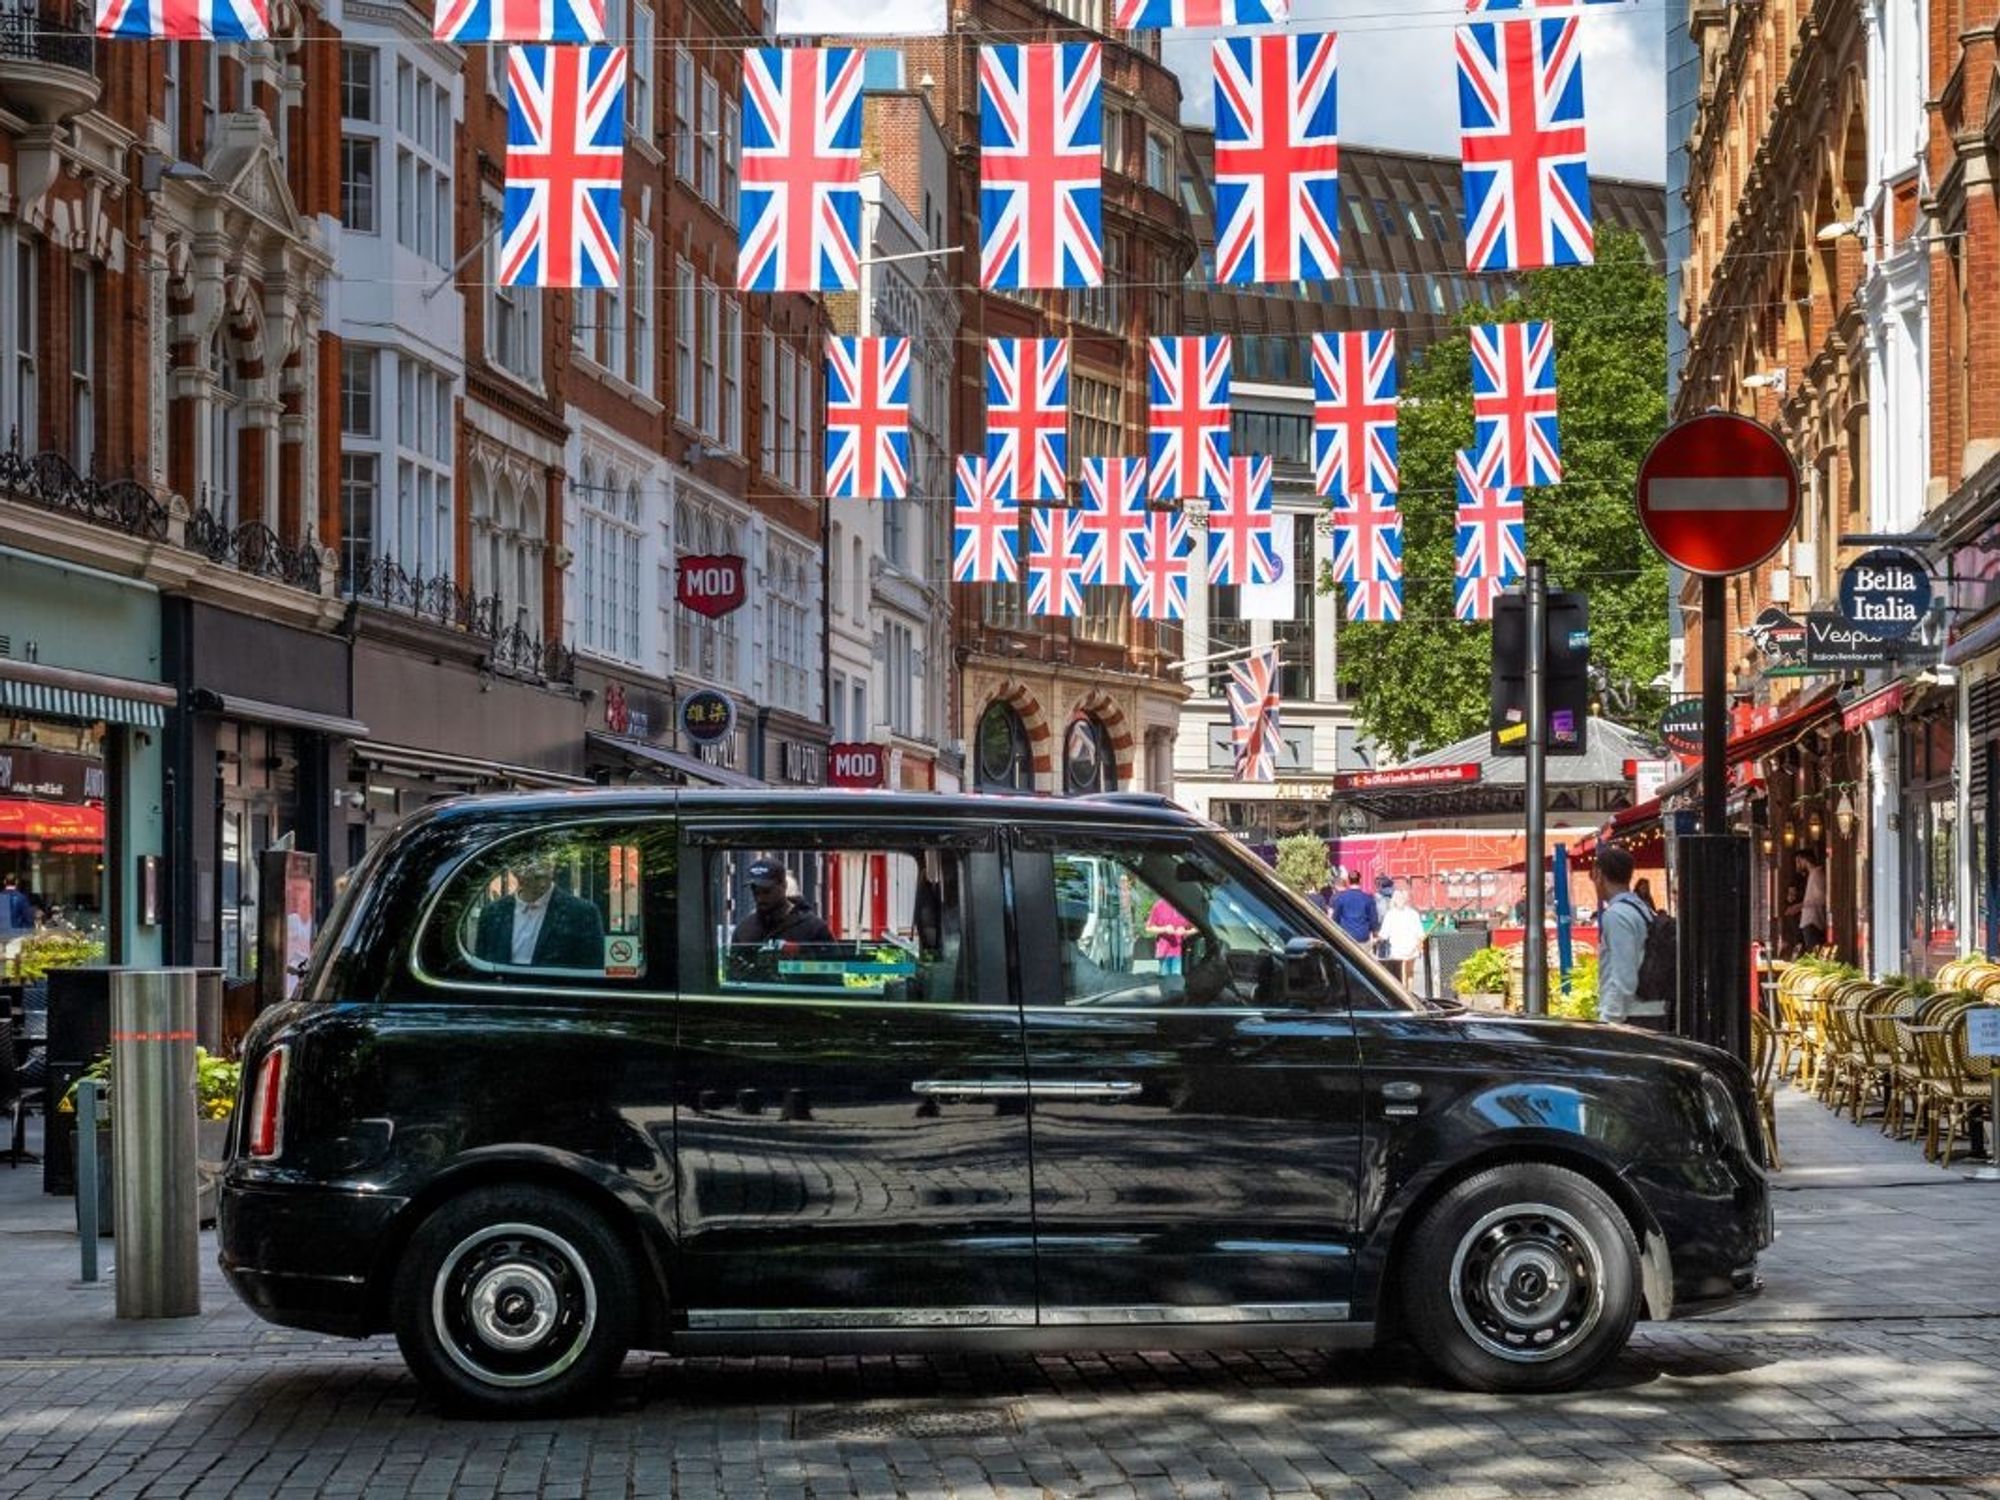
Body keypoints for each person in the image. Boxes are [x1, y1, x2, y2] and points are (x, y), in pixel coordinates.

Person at [474, 857, 605, 969]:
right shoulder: (492, 913)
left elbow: (592, 969)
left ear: (552, 867)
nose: (541, 882)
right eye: (535, 876)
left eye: (542, 875)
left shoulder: (582, 913)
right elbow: (482, 964)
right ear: (515, 871)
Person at [1593, 845, 1665, 1030]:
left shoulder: (1617, 915)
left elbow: (1623, 979)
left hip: (1633, 1018)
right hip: (1652, 1011)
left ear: (1599, 874)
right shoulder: (1641, 908)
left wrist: (1607, 1023)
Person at [731, 857, 834, 945]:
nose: (760, 898)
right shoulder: (745, 930)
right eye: (755, 892)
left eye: (767, 891)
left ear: (783, 886)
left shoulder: (813, 929)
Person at [1380, 888, 1426, 985]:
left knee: (1401, 975)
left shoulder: (1390, 914)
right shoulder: (1413, 914)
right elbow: (1420, 933)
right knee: (1409, 973)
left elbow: (1384, 935)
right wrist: (1420, 944)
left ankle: (1405, 995)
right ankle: (1410, 993)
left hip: (1398, 949)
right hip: (1410, 948)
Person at [1330, 868, 1381, 949]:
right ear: (1360, 880)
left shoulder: (1341, 898)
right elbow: (1373, 919)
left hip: (1346, 937)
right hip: (1363, 938)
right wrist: (1375, 934)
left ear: (1349, 881)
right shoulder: (1368, 898)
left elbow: (1335, 918)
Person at [1144, 895, 1194, 976]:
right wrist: (1164, 929)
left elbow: (1197, 928)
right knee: (1166, 981)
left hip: (1179, 952)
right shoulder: (1159, 905)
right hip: (1164, 952)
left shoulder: (1184, 907)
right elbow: (1148, 928)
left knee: (1176, 981)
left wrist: (1185, 932)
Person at [1788, 851, 1828, 953]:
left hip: (1813, 921)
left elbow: (1821, 898)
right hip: (1809, 921)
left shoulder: (1816, 874)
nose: (1797, 865)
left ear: (1804, 860)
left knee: (1814, 954)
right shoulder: (1812, 875)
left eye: (1798, 861)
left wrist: (1799, 906)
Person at [0, 873, 32, 946]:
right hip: (16, 935)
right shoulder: (22, 898)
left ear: (4, 882)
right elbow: (28, 918)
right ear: (17, 882)